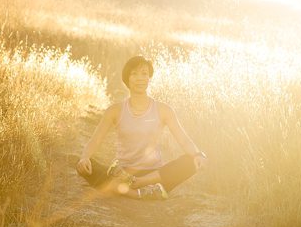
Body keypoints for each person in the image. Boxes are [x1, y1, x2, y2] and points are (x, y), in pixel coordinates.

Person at [76, 56, 208, 200]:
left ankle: (134, 186)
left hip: (155, 174)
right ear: (127, 79)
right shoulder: (115, 110)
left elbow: (183, 139)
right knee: (81, 166)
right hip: (123, 172)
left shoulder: (163, 110)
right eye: (134, 74)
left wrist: (197, 154)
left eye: (144, 73)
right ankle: (142, 193)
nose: (140, 78)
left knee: (191, 162)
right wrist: (84, 158)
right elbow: (95, 140)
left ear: (149, 78)